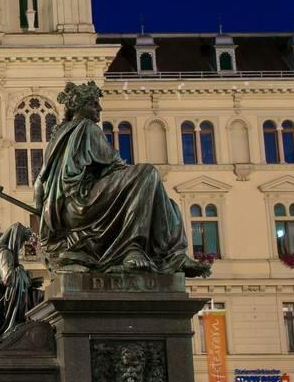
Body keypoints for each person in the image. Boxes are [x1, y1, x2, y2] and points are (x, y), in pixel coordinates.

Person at [34, 81, 211, 277]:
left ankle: (172, 255)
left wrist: (48, 226)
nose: (99, 108)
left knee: (167, 205)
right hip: (81, 204)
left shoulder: (56, 138)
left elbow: (39, 186)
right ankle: (136, 248)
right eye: (94, 103)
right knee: (147, 174)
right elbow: (115, 166)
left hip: (65, 212)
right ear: (80, 106)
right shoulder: (87, 127)